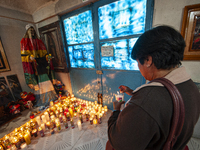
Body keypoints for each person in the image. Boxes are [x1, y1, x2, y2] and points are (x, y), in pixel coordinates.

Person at [106, 25, 200, 150]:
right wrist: (132, 93)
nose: (139, 68)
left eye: (138, 63)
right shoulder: (190, 86)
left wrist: (116, 111)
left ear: (148, 60)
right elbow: (162, 107)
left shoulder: (146, 101)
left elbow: (119, 142)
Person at [20, 24, 57, 106]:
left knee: (46, 80)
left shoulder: (39, 41)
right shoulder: (24, 42)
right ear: (27, 31)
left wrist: (48, 57)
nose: (32, 32)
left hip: (42, 64)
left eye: (33, 30)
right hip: (33, 65)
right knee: (38, 84)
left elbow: (44, 52)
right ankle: (43, 100)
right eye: (30, 30)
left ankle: (51, 98)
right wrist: (29, 57)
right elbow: (23, 57)